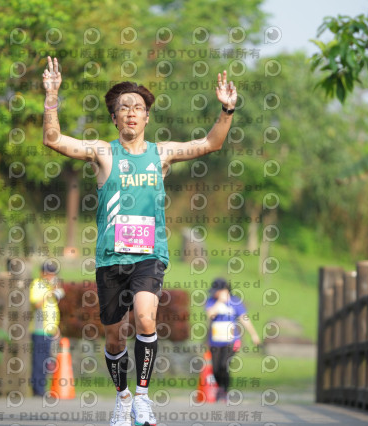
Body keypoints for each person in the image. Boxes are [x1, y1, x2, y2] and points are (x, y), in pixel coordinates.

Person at [42, 56, 237, 426]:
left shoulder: (161, 154)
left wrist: (227, 109)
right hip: (110, 258)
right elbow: (53, 139)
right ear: (114, 118)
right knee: (115, 338)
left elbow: (211, 143)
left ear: (147, 117)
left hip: (149, 255)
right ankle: (123, 398)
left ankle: (143, 398)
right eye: (123, 108)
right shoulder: (103, 152)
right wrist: (52, 98)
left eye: (138, 108)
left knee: (146, 318)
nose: (131, 113)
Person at [205, 278, 261, 402]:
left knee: (224, 365)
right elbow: (210, 314)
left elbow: (244, 319)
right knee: (215, 368)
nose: (215, 293)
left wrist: (254, 335)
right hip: (215, 341)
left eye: (217, 291)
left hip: (231, 341)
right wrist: (220, 301)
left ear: (224, 289)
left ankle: (225, 391)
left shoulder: (235, 302)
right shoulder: (211, 301)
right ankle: (219, 388)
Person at [29, 260, 65, 396]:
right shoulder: (37, 284)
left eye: (53, 274)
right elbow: (37, 304)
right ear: (42, 273)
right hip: (39, 329)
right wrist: (50, 292)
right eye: (49, 274)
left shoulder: (51, 287)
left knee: (46, 360)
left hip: (50, 330)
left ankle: (42, 388)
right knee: (39, 360)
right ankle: (38, 390)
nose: (51, 277)